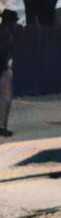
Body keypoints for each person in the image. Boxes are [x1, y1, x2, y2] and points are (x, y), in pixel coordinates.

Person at [0, 9, 17, 137]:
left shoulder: (4, 31)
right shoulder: (4, 34)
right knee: (6, 98)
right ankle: (1, 126)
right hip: (3, 68)